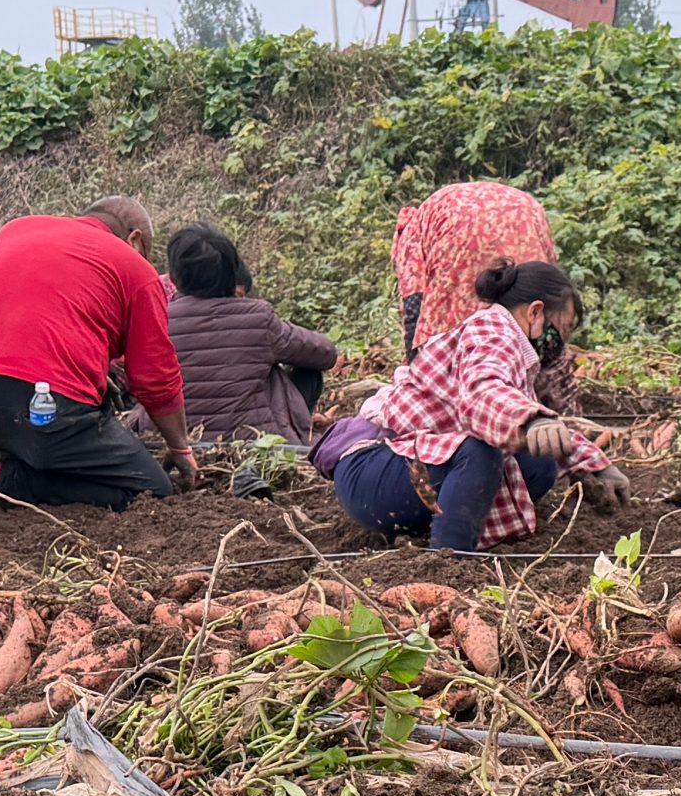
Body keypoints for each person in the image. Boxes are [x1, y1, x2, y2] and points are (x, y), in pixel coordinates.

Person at [322, 261, 629, 552]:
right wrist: (532, 419)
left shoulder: (509, 346)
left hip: (405, 471)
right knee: (480, 452)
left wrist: (597, 465)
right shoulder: (492, 332)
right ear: (536, 312)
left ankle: (438, 529)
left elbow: (520, 419)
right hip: (374, 473)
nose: (558, 344)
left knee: (538, 460)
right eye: (559, 331)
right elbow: (483, 394)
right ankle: (450, 557)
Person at [0, 197, 198, 510]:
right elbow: (155, 379)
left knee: (42, 437)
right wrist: (180, 448)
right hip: (39, 400)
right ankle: (1, 477)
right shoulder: (136, 268)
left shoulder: (18, 229)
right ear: (135, 238)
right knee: (150, 492)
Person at [392, 181, 576, 409]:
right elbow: (550, 284)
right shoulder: (524, 205)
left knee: (467, 344)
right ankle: (544, 399)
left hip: (458, 233)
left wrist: (416, 374)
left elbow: (414, 310)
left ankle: (472, 404)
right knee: (536, 320)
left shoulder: (411, 232)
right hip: (524, 218)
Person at [165, 223, 339, 447]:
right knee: (305, 367)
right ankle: (298, 440)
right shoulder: (258, 317)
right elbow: (325, 352)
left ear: (173, 276)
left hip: (173, 440)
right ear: (231, 271)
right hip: (254, 441)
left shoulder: (157, 318)